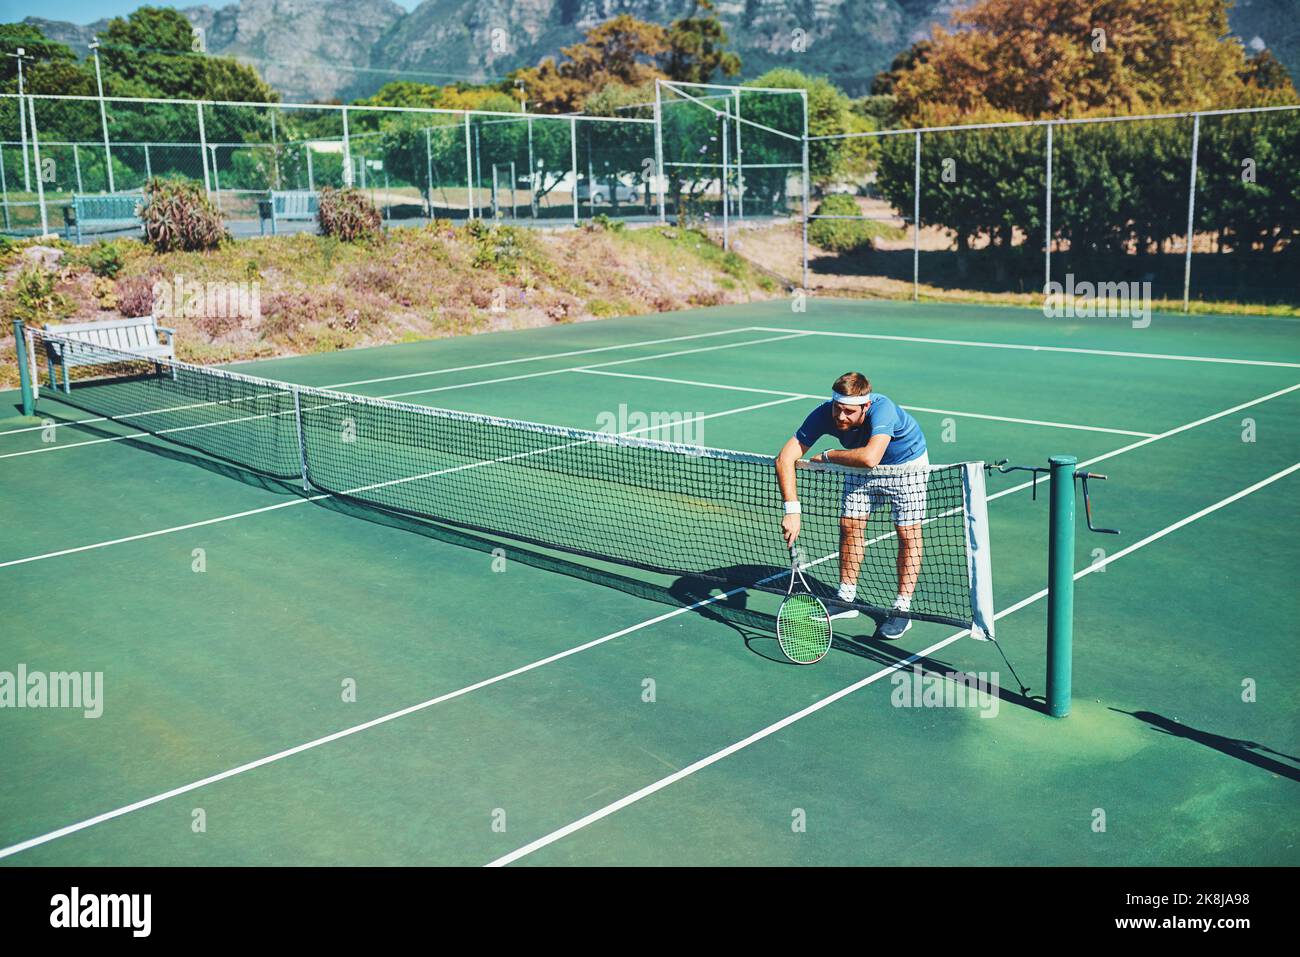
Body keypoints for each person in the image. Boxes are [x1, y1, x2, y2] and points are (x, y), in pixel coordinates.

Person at [775, 371, 929, 639]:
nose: (840, 417)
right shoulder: (824, 413)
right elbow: (784, 458)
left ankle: (902, 608)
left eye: (848, 412)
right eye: (837, 409)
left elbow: (870, 458)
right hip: (860, 471)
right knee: (849, 525)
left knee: (907, 534)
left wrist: (828, 456)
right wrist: (792, 510)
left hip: (906, 469)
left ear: (865, 406)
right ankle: (846, 599)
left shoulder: (884, 410)